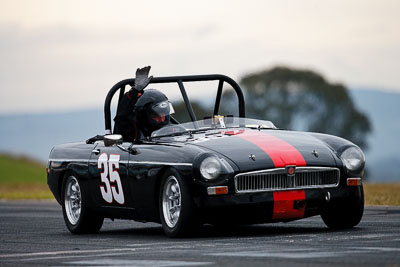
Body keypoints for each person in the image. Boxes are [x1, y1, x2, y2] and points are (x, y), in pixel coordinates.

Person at [113, 66, 173, 142]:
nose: (161, 119)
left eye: (164, 114)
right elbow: (122, 118)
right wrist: (134, 91)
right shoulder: (132, 132)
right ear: (144, 116)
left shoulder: (173, 129)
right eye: (156, 116)